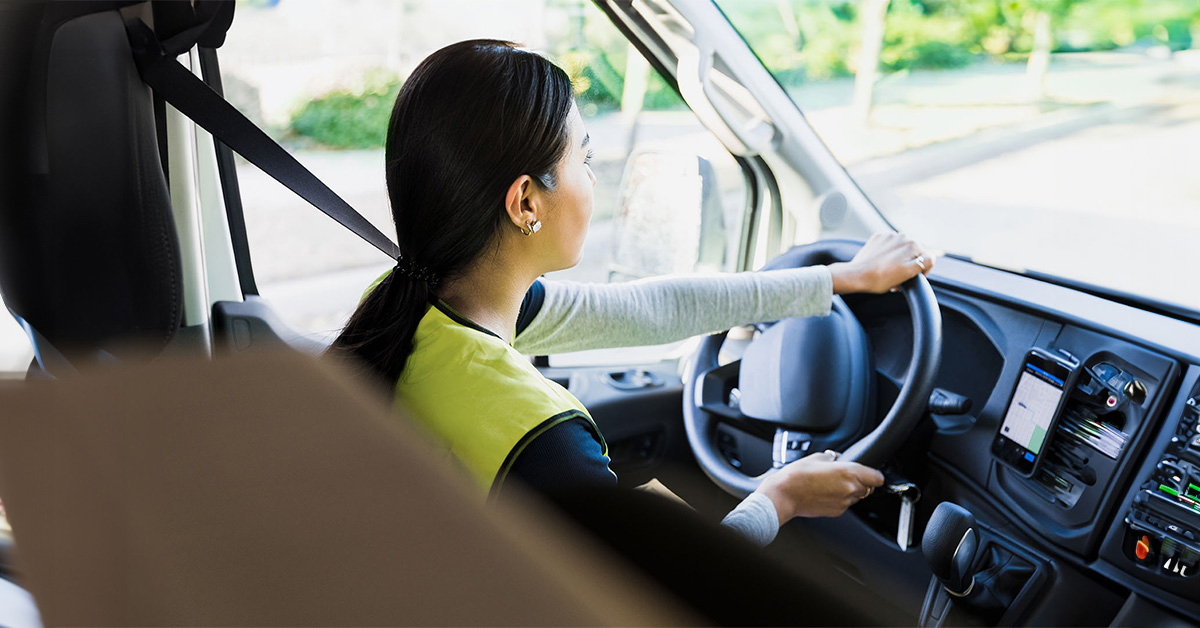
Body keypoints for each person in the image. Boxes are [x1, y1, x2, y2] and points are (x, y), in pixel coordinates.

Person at [330, 39, 934, 546]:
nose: (593, 180)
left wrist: (840, 279)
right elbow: (668, 594)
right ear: (525, 202)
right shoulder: (541, 440)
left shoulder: (407, 304)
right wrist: (780, 497)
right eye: (583, 160)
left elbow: (650, 309)